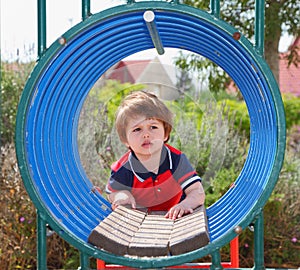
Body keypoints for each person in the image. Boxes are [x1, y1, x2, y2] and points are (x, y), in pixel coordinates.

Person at [105, 91, 205, 220]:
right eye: (137, 129)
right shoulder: (124, 168)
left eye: (153, 127)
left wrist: (185, 204)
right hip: (139, 222)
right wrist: (121, 195)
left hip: (175, 220)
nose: (146, 134)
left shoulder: (176, 160)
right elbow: (112, 193)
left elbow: (197, 191)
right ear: (125, 139)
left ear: (165, 134)